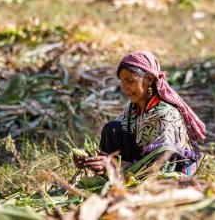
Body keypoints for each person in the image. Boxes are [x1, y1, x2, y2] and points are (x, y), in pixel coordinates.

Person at [73, 51, 205, 176]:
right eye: (122, 81)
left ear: (149, 79)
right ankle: (111, 176)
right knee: (112, 129)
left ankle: (119, 177)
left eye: (130, 80)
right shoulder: (133, 108)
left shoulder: (165, 115)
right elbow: (116, 142)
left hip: (168, 171)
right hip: (141, 163)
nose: (125, 87)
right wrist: (90, 160)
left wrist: (116, 165)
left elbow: (162, 167)